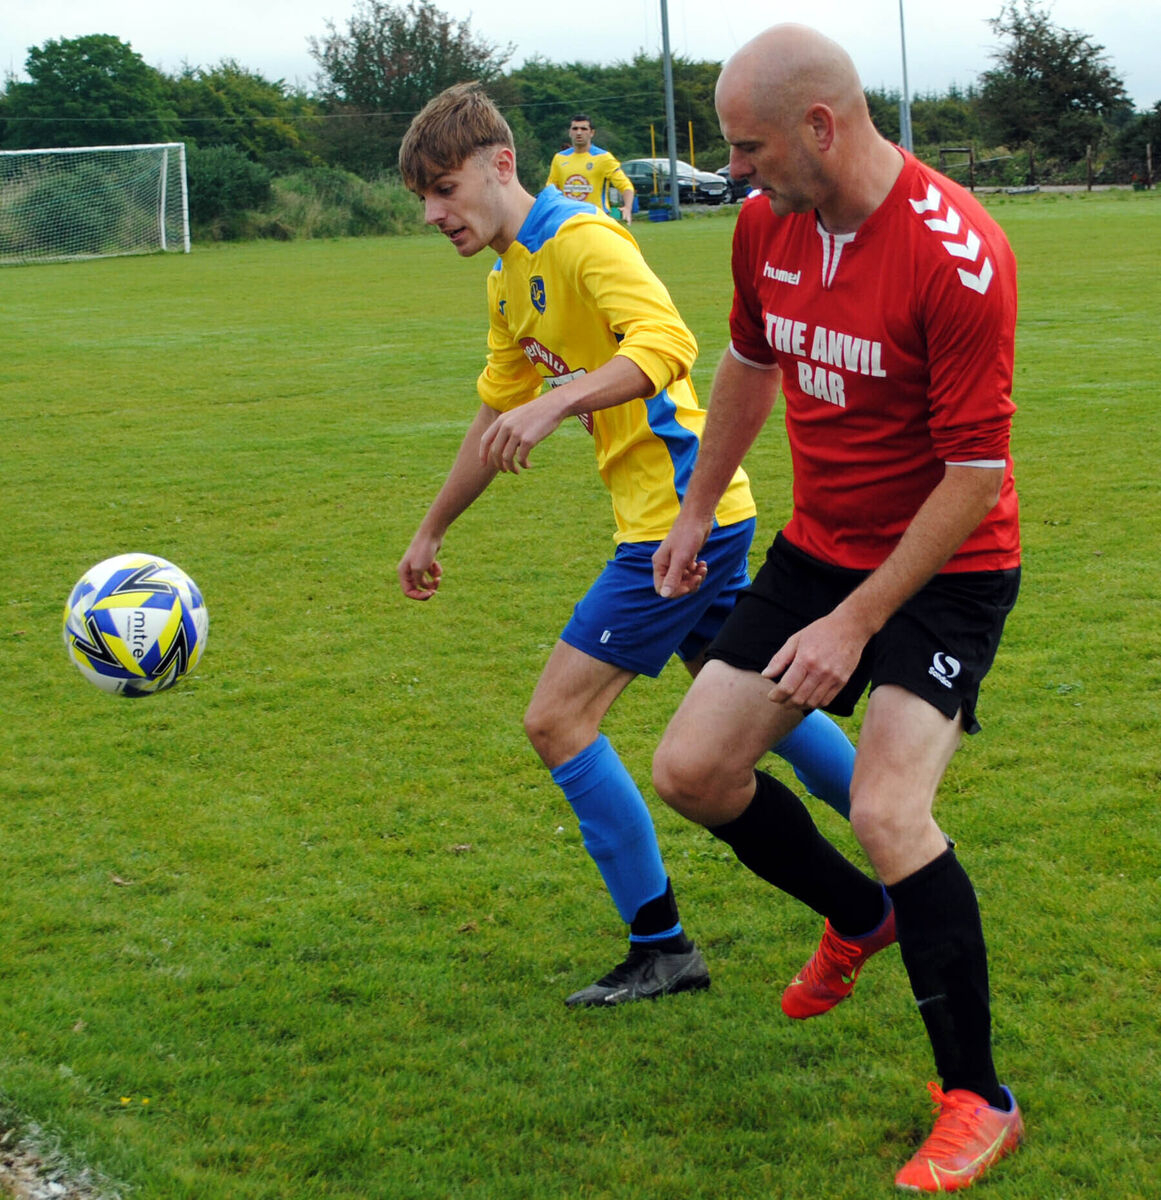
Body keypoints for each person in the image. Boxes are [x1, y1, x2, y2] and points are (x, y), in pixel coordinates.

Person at [650, 25, 1024, 1192]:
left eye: (750, 146)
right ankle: (862, 921)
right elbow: (751, 365)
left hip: (946, 567)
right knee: (693, 771)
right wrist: (699, 507)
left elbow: (974, 481)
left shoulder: (958, 255)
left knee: (888, 807)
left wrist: (858, 622)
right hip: (817, 550)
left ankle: (978, 1098)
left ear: (822, 125)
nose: (738, 172)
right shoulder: (768, 224)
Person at [396, 82, 858, 1008]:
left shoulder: (583, 241)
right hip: (687, 515)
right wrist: (433, 525)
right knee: (763, 694)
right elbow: (496, 409)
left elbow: (669, 342)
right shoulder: (509, 275)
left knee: (556, 721)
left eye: (445, 189)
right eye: (423, 199)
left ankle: (663, 947)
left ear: (500, 165)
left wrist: (559, 399)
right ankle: (907, 841)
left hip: (677, 520)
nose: (434, 214)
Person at [547, 113, 635, 224]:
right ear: (570, 132)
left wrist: (627, 207)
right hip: (568, 219)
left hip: (596, 219)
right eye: (575, 129)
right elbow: (550, 190)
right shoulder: (559, 158)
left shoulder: (603, 158)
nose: (579, 132)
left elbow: (625, 185)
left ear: (591, 133)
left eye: (584, 129)